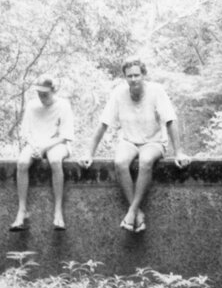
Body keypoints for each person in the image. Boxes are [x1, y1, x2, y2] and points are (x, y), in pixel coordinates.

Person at [79, 56, 191, 232]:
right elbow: (103, 124)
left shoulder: (156, 91)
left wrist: (178, 152)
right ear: (125, 77)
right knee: (120, 162)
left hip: (154, 141)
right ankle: (137, 212)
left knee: (145, 161)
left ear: (143, 74)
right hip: (129, 140)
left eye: (136, 75)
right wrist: (89, 153)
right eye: (129, 76)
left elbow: (170, 120)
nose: (133, 79)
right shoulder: (119, 93)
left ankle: (131, 212)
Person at [10, 74, 74, 231]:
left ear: (53, 91)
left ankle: (58, 211)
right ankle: (22, 210)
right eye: (39, 94)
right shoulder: (32, 106)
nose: (42, 98)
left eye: (45, 94)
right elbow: (25, 133)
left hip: (57, 143)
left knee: (55, 161)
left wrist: (44, 147)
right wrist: (35, 146)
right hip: (35, 143)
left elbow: (65, 136)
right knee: (22, 163)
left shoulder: (63, 105)